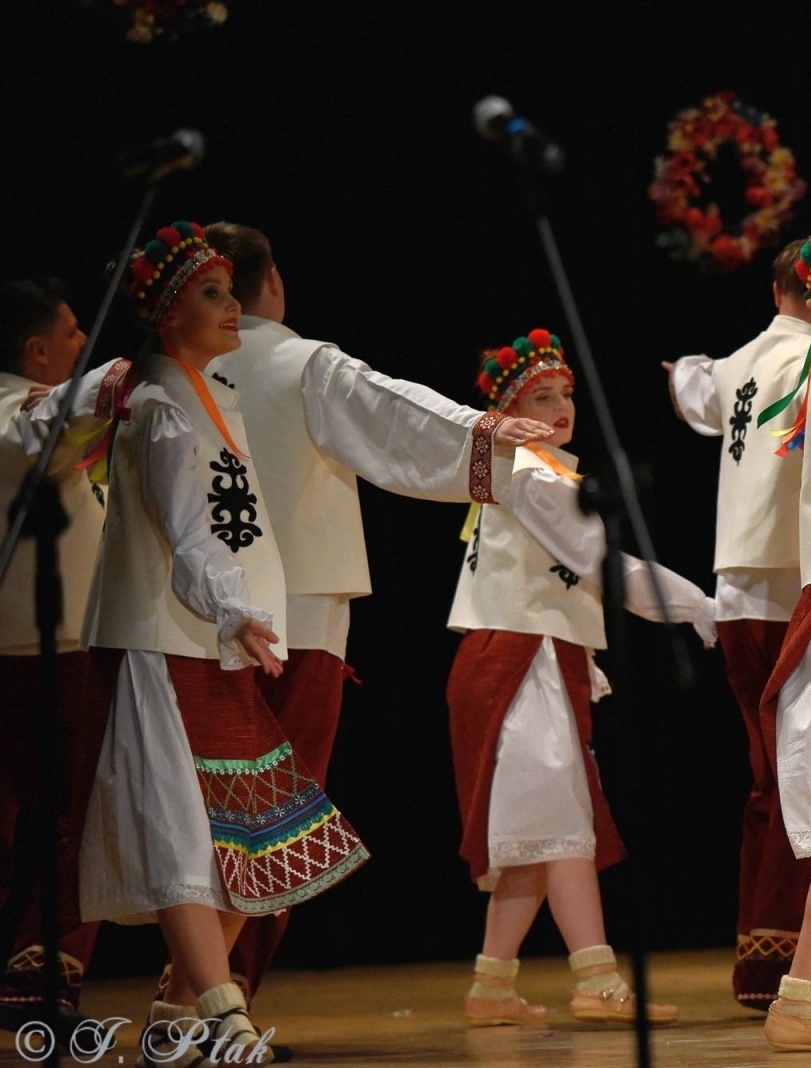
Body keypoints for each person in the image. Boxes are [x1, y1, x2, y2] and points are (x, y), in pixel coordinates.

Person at [198, 221, 549, 1004]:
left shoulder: (168, 369)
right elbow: (395, 416)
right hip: (298, 608)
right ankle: (218, 997)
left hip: (188, 612)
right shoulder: (297, 362)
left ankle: (196, 991)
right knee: (275, 806)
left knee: (200, 804)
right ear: (273, 283)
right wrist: (487, 434)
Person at [75, 221, 370, 1062]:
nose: (232, 304)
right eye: (210, 293)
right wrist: (235, 610)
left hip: (208, 637)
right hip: (161, 638)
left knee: (256, 828)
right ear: (168, 315)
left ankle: (178, 1011)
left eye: (230, 289)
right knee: (180, 824)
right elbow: (188, 532)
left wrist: (238, 616)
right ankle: (219, 1005)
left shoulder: (216, 397)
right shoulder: (161, 403)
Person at [448, 326, 716, 1028]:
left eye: (565, 393)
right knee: (562, 824)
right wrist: (699, 608)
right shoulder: (532, 474)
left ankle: (492, 986)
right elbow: (608, 565)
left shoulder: (537, 470)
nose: (561, 406)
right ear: (509, 407)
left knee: (539, 831)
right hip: (514, 658)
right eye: (542, 395)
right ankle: (596, 980)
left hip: (526, 654)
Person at [661, 239, 811, 1018]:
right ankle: (778, 969)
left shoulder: (737, 362)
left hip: (740, 590)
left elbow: (690, 389)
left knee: (771, 779)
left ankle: (766, 958)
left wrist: (681, 371)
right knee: (801, 781)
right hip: (791, 591)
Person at [0, 279, 104, 1036]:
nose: (81, 346)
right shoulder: (18, 412)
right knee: (61, 814)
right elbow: (48, 431)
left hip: (58, 645)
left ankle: (41, 966)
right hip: (42, 651)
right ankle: (40, 967)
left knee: (51, 815)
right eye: (71, 335)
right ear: (36, 351)